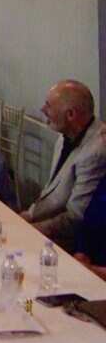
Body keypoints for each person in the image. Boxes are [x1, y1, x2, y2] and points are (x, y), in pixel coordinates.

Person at [22, 80, 106, 248]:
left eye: (48, 105)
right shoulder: (64, 135)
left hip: (68, 242)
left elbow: (75, 218)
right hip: (45, 225)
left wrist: (30, 230)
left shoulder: (96, 151)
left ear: (70, 115)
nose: (43, 109)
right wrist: (27, 216)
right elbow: (51, 193)